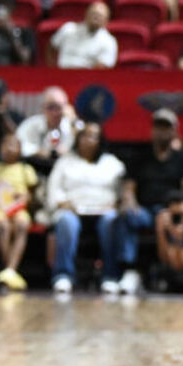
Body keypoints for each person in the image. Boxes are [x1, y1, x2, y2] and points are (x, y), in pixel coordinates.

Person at [112, 108, 183, 294]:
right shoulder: (140, 158)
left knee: (178, 219)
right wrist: (130, 203)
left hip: (171, 211)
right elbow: (128, 187)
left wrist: (179, 210)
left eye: (166, 127)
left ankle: (177, 271)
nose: (162, 132)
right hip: (144, 210)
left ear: (175, 131)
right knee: (126, 217)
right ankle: (129, 270)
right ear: (151, 130)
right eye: (158, 127)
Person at [46, 122, 124, 293]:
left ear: (100, 140)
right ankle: (63, 275)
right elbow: (53, 188)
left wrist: (116, 203)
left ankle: (110, 276)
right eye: (85, 135)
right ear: (78, 139)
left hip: (103, 211)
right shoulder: (65, 162)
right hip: (72, 210)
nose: (89, 140)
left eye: (94, 136)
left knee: (112, 221)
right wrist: (62, 202)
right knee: (66, 221)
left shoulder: (111, 163)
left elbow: (122, 191)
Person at [0, 134, 37, 291]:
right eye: (6, 144)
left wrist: (23, 197)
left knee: (21, 224)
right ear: (0, 147)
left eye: (14, 145)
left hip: (18, 209)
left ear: (20, 150)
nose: (10, 149)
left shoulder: (25, 170)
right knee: (2, 226)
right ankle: (11, 271)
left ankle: (9, 271)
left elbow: (31, 196)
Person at [15, 86, 77, 172]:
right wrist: (38, 151)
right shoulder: (31, 124)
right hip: (33, 168)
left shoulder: (71, 126)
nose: (54, 113)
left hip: (63, 170)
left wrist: (74, 121)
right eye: (50, 107)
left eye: (58, 107)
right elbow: (17, 144)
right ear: (43, 107)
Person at [49, 1, 117, 69]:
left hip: (88, 77)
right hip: (61, 73)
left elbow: (103, 67)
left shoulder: (109, 41)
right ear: (86, 14)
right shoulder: (68, 29)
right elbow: (52, 47)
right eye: (93, 14)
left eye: (100, 16)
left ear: (106, 21)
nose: (96, 18)